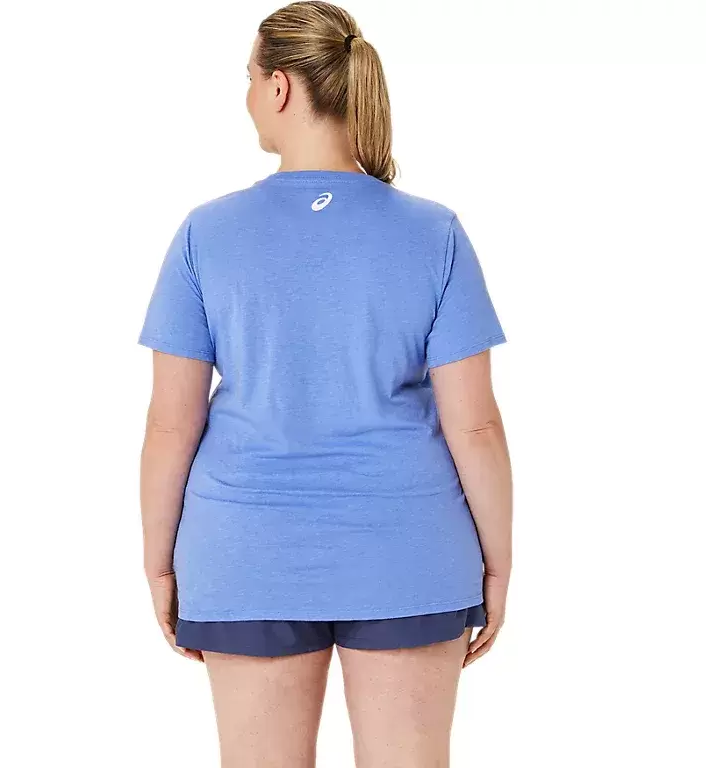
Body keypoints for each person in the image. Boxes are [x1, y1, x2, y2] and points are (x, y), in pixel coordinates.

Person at [137, 2, 513, 765]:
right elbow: (475, 425)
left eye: (249, 78)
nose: (248, 96)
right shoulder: (434, 232)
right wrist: (498, 563)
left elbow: (171, 424)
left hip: (246, 550)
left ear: (279, 87)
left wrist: (159, 561)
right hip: (408, 550)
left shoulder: (206, 232)